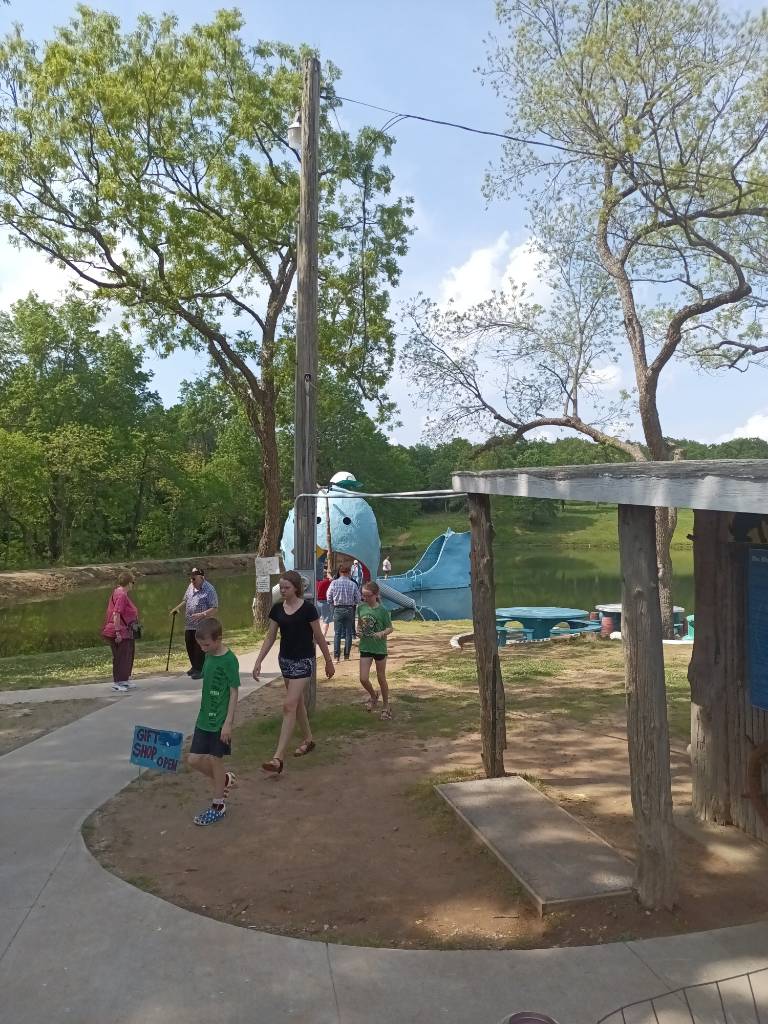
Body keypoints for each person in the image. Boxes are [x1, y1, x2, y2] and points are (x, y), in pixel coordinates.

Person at [252, 570, 335, 775]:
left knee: (289, 705)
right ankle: (308, 739)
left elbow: (319, 637)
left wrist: (328, 661)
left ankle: (278, 758)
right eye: (281, 587)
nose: (282, 590)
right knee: (296, 704)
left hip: (304, 661)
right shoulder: (277, 609)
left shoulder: (308, 609)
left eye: (286, 587)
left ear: (296, 588)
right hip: (286, 661)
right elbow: (270, 637)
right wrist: (259, 661)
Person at [186, 618, 239, 826]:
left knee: (216, 760)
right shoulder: (208, 655)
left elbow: (233, 692)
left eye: (206, 644)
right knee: (193, 760)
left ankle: (218, 805)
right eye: (200, 645)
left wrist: (228, 723)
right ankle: (223, 779)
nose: (203, 649)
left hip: (220, 722)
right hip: (204, 719)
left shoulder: (229, 660)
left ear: (219, 639)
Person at [170, 566, 218, 680]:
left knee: (199, 647)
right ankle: (194, 667)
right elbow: (185, 600)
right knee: (189, 644)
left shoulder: (209, 589)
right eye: (191, 578)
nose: (192, 581)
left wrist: (203, 614)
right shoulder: (190, 587)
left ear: (201, 577)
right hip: (189, 623)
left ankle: (201, 669)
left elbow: (215, 608)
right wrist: (177, 608)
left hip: (202, 624)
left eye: (194, 578)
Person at [357, 581, 394, 719]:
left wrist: (382, 633)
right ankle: (373, 696)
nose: (365, 598)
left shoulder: (383, 610)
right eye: (363, 595)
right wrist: (358, 631)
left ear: (376, 595)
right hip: (365, 646)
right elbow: (360, 624)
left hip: (379, 648)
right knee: (363, 678)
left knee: (381, 677)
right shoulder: (361, 608)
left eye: (368, 595)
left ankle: (386, 706)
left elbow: (390, 628)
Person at [101, 571, 140, 693]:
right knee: (121, 657)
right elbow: (116, 613)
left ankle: (124, 680)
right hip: (120, 631)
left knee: (127, 656)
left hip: (126, 631)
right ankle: (117, 682)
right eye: (133, 582)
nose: (133, 585)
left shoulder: (118, 592)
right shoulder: (122, 595)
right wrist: (117, 632)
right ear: (129, 583)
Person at [327, 563, 361, 662]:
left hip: (337, 609)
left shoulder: (334, 583)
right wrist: (353, 602)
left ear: (339, 572)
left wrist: (332, 603)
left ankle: (336, 656)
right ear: (349, 572)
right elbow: (358, 599)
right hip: (349, 609)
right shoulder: (353, 584)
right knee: (348, 633)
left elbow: (328, 596)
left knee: (337, 633)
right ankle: (346, 655)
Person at [316, 565, 334, 639]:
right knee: (326, 621)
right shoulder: (327, 582)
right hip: (325, 602)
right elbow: (333, 580)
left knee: (316, 620)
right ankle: (323, 637)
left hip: (317, 602)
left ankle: (315, 636)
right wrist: (329, 574)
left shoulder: (317, 582)